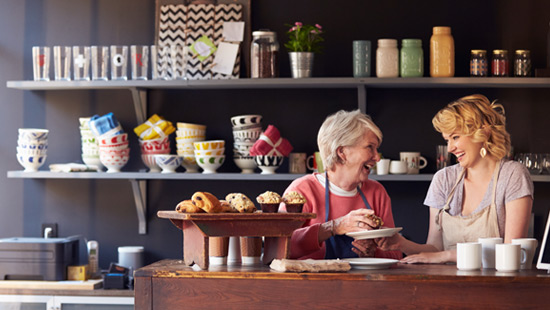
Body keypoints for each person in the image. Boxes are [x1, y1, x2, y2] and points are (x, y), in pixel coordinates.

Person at [377, 94, 534, 264]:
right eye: (447, 140)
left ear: (484, 132)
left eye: (455, 137)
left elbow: (511, 253)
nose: (450, 148)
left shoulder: (512, 175)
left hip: (496, 287)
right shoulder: (443, 179)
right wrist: (402, 244)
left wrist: (448, 255)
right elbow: (435, 248)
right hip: (447, 285)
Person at [281, 109, 402, 260]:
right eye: (369, 147)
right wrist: (333, 227)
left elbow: (395, 255)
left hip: (363, 283)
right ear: (342, 152)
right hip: (311, 283)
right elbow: (279, 248)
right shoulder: (301, 190)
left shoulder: (376, 192)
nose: (377, 157)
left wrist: (373, 253)